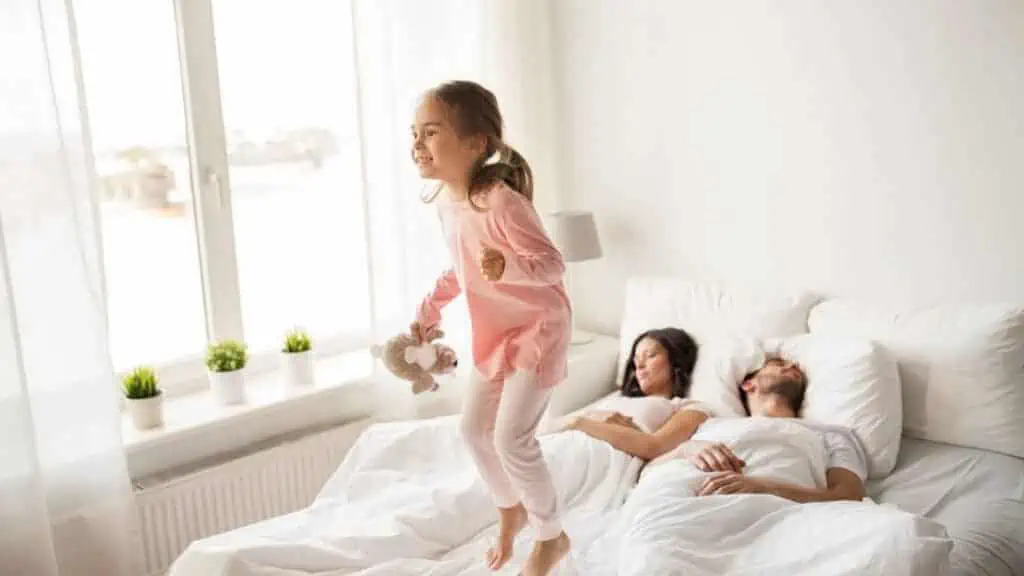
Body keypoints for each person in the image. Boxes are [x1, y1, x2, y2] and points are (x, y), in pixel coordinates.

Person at [408, 80, 571, 576]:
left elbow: (552, 265)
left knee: (511, 440)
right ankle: (510, 509)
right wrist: (429, 309)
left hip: (538, 329)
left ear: (476, 143)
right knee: (473, 431)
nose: (417, 144)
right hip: (496, 333)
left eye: (430, 133)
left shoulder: (502, 202)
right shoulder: (447, 207)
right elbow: (461, 268)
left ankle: (551, 536)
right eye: (414, 134)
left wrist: (510, 265)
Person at [684, 357, 868, 502]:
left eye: (795, 368)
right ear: (748, 384)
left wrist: (766, 488)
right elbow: (656, 465)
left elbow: (848, 497)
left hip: (778, 513)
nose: (791, 366)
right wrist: (688, 448)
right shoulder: (713, 425)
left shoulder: (831, 434)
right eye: (778, 364)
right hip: (686, 499)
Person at [562, 328, 713, 460]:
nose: (639, 366)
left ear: (676, 362)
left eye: (651, 355)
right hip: (563, 443)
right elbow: (552, 426)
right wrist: (578, 421)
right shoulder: (616, 398)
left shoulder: (685, 407)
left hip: (596, 456)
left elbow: (656, 447)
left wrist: (580, 423)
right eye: (636, 358)